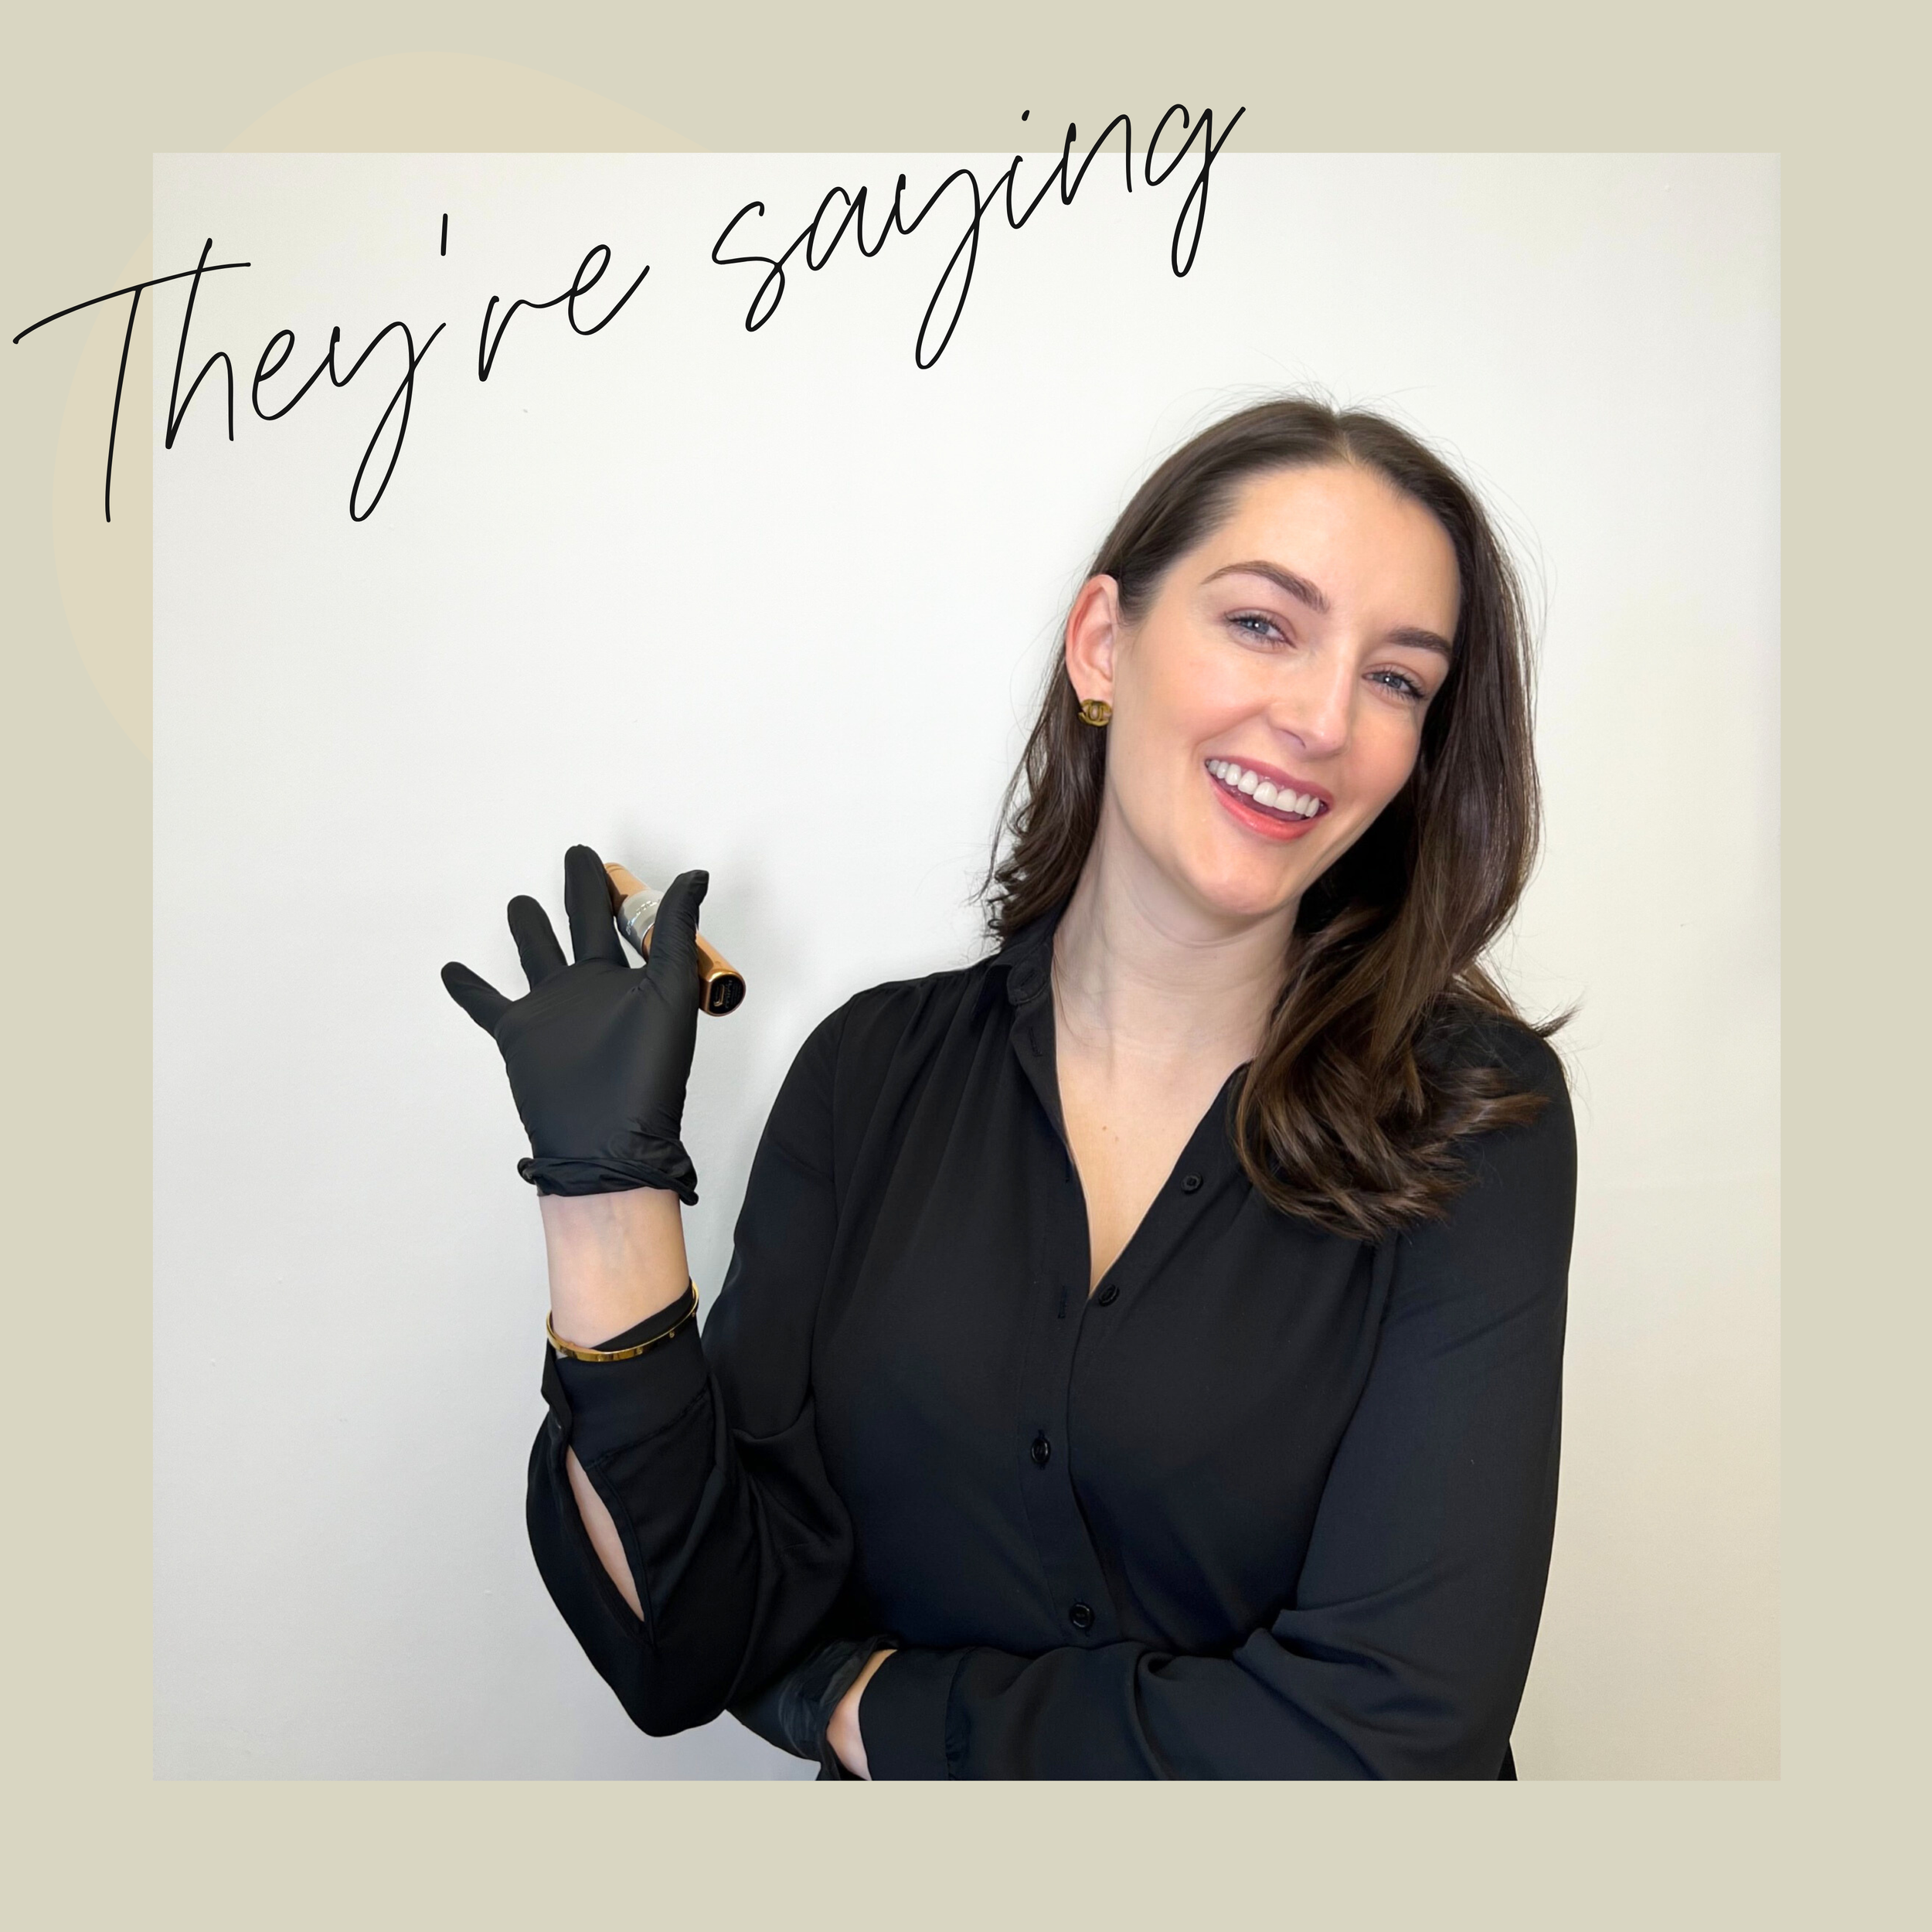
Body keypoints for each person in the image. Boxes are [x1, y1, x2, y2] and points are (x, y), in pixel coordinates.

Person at [441, 394, 1577, 1780]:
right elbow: (697, 1637)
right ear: (1105, 644)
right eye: (1264, 624)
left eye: (1398, 678)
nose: (1325, 717)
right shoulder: (872, 1077)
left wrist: (882, 1713)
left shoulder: (1477, 1116)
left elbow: (1394, 1735)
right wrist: (602, 1188)